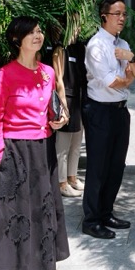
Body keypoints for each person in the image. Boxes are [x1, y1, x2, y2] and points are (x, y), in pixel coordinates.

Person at [0, 17, 71, 270]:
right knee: (11, 215)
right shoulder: (5, 75)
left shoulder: (46, 72)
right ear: (17, 39)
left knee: (39, 208)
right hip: (13, 150)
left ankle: (37, 269)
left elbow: (51, 109)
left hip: (42, 147)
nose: (38, 36)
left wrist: (58, 121)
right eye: (32, 32)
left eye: (39, 31)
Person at [82, 0, 135, 239]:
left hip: (120, 110)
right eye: (117, 14)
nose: (122, 18)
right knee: (98, 166)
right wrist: (127, 78)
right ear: (104, 16)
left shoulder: (123, 44)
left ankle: (106, 212)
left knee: (117, 165)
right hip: (100, 111)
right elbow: (113, 82)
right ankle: (91, 219)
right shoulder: (96, 46)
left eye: (124, 14)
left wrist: (131, 59)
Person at [54, 29, 87, 197]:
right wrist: (63, 104)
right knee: (63, 145)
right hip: (66, 98)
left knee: (76, 142)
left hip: (79, 98)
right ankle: (61, 182)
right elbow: (58, 78)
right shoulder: (60, 49)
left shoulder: (80, 48)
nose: (77, 29)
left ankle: (72, 177)